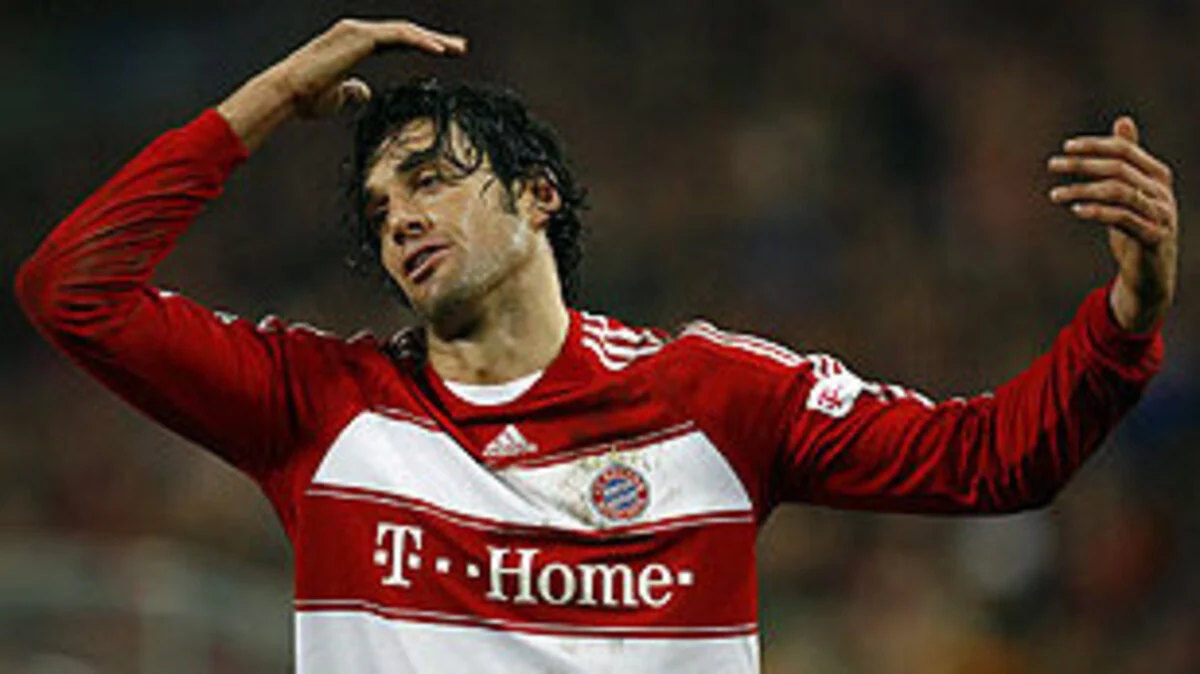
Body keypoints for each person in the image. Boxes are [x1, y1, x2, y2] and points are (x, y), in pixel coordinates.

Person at [15, 17, 1179, 674]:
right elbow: (73, 290)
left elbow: (995, 459)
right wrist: (263, 102)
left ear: (537, 196)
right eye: (379, 207)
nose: (402, 216)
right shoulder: (317, 404)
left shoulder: (713, 392)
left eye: (431, 178)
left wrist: (1126, 315)